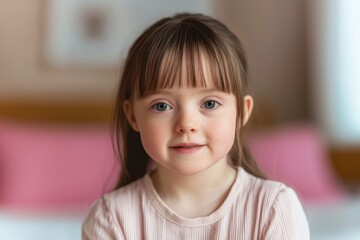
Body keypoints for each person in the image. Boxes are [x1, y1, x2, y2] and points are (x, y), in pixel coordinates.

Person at [82, 13, 309, 239]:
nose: (186, 124)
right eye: (161, 106)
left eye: (209, 103)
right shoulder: (111, 218)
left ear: (241, 112)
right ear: (133, 116)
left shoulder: (273, 209)